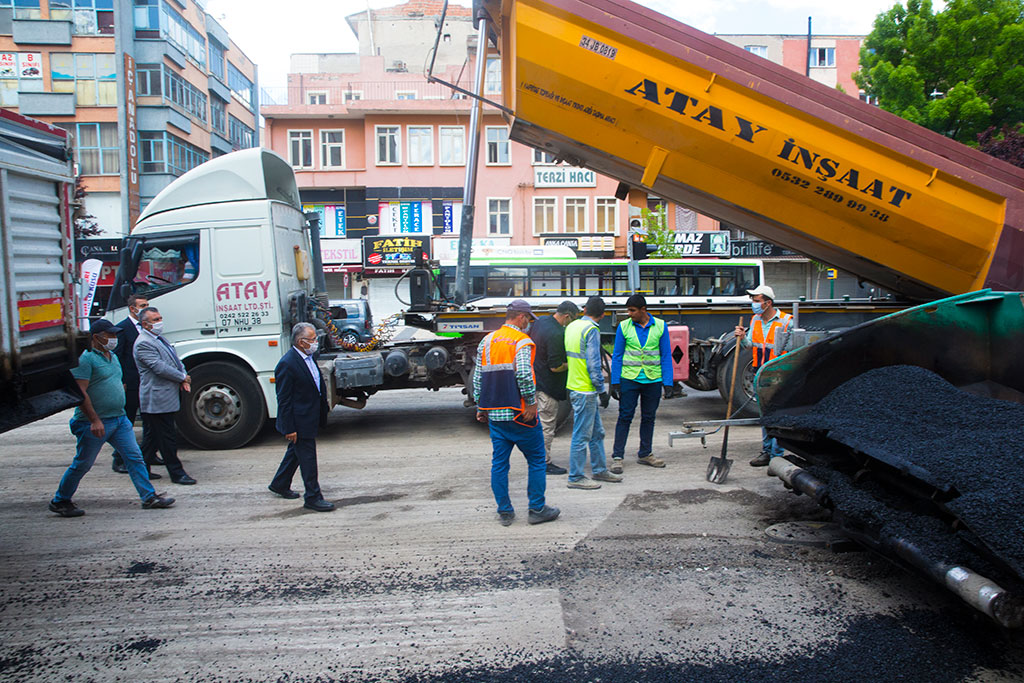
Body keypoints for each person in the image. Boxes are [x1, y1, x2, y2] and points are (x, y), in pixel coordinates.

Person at [48, 319, 175, 517]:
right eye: (110, 335)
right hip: (95, 422)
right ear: (96, 337)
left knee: (134, 457)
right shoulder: (86, 359)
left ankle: (149, 497)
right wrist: (94, 420)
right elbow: (80, 393)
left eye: (115, 334)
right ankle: (60, 500)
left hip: (119, 419)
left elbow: (116, 381)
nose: (114, 338)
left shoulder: (112, 357)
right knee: (83, 463)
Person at [473, 300, 560, 526]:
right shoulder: (521, 341)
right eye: (528, 319)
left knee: (499, 464)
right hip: (520, 415)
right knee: (537, 460)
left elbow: (478, 377)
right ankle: (537, 509)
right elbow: (523, 374)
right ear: (521, 317)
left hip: (495, 415)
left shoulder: (487, 341)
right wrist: (530, 403)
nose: (528, 324)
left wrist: (481, 406)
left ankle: (505, 511)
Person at [268, 322, 335, 512]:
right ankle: (313, 497)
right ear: (301, 342)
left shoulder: (308, 357)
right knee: (307, 458)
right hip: (299, 420)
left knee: (295, 452)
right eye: (312, 339)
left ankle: (280, 483)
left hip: (310, 415)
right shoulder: (287, 364)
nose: (316, 343)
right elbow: (284, 400)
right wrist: (289, 428)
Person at [609, 293, 673, 473]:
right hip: (629, 379)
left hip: (653, 380)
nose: (629, 314)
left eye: (632, 310)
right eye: (628, 310)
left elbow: (666, 355)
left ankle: (645, 453)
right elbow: (617, 355)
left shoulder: (660, 326)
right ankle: (617, 457)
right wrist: (615, 382)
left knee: (649, 418)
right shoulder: (624, 326)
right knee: (625, 417)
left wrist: (668, 383)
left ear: (643, 310)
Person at [135, 307, 197, 485]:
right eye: (155, 320)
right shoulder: (143, 343)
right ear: (145, 324)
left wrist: (183, 374)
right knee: (166, 437)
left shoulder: (159, 339)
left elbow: (175, 361)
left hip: (165, 396)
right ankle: (177, 473)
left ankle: (142, 469)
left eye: (160, 318)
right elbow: (159, 367)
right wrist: (181, 377)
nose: (159, 322)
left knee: (152, 437)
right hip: (156, 398)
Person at [564, 296, 620, 489]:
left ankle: (599, 470)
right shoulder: (591, 330)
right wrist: (602, 391)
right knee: (581, 435)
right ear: (603, 315)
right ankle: (575, 477)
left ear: (585, 309)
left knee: (597, 433)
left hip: (575, 385)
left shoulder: (572, 326)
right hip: (585, 390)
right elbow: (594, 365)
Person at [734, 284, 793, 467]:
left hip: (779, 375)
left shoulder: (786, 321)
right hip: (760, 374)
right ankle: (767, 451)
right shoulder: (755, 320)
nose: (754, 303)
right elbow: (750, 345)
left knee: (778, 415)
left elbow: (792, 351)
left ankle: (777, 454)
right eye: (753, 300)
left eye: (757, 300)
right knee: (765, 415)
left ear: (768, 303)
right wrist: (742, 337)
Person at [110, 293, 161, 476]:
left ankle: (149, 454)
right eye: (142, 305)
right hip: (131, 383)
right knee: (127, 422)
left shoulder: (147, 328)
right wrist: (121, 380)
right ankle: (119, 459)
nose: (146, 308)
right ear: (132, 309)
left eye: (147, 304)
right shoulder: (123, 328)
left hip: (146, 383)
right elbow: (117, 357)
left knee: (149, 421)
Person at [529, 300, 579, 476]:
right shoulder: (556, 333)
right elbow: (555, 366)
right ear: (567, 316)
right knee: (547, 426)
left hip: (536, 380)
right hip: (548, 388)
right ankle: (544, 462)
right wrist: (572, 363)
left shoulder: (541, 321)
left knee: (538, 425)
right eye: (572, 320)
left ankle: (536, 458)